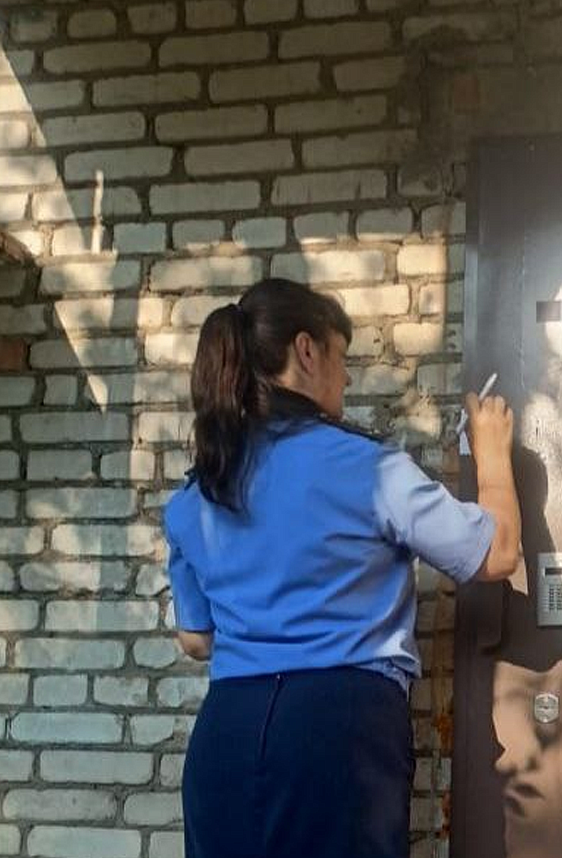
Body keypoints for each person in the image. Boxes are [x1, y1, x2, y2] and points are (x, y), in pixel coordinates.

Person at [164, 277, 521, 858]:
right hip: (337, 734)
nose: (348, 377)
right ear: (306, 351)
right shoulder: (366, 468)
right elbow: (496, 553)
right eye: (341, 355)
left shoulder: (199, 487)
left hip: (226, 735)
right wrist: (494, 455)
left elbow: (196, 639)